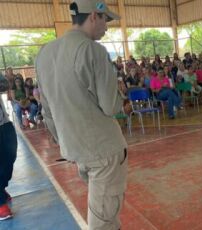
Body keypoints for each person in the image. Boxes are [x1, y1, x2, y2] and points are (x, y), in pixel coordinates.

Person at [35, 1, 128, 229]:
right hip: (104, 150)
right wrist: (120, 94)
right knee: (103, 222)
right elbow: (111, 107)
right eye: (105, 19)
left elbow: (47, 111)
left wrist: (66, 142)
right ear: (94, 15)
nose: (106, 27)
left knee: (102, 210)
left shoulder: (44, 53)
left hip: (75, 150)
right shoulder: (93, 50)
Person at [0, 73, 17, 220]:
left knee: (10, 158)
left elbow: (5, 84)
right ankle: (0, 204)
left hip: (4, 124)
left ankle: (1, 186)